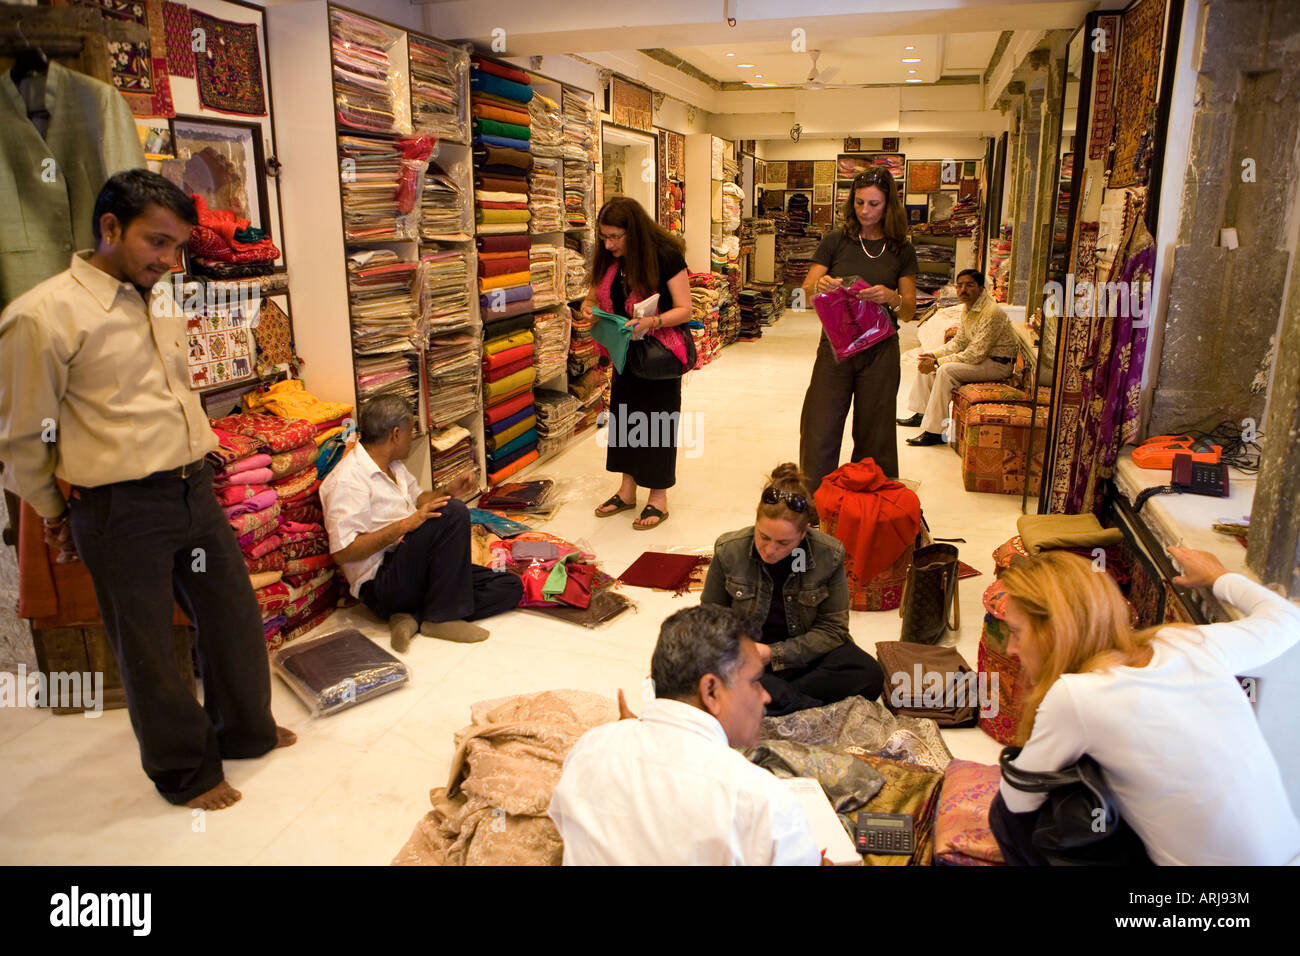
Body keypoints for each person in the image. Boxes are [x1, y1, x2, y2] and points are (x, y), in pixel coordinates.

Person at [0, 169, 294, 812]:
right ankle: (185, 773)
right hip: (118, 507)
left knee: (233, 617)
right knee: (148, 645)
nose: (169, 260)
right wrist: (56, 513)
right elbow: (24, 438)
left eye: (178, 248)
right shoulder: (41, 317)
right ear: (110, 228)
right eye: (157, 243)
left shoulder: (153, 296)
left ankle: (245, 731)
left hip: (192, 488)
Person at [989, 547, 1300, 866]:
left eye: (1016, 632)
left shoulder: (1078, 695)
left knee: (1005, 811)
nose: (1011, 649)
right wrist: (1219, 576)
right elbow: (1288, 619)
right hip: (1290, 855)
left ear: (1053, 633)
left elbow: (1018, 801)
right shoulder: (1188, 644)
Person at [548, 604, 822, 865]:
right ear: (711, 691)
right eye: (755, 682)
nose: (765, 696)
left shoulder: (590, 748)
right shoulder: (765, 803)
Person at [321, 395, 522, 650]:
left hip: (414, 570)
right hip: (382, 583)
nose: (412, 436)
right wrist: (404, 525)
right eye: (410, 430)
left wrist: (447, 491)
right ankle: (442, 616)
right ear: (396, 434)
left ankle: (415, 617)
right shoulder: (347, 480)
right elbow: (343, 553)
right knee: (455, 513)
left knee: (508, 584)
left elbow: (419, 501)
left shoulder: (393, 466)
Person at [700, 463, 885, 716]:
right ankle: (799, 705)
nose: (770, 549)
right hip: (747, 658)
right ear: (755, 518)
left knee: (869, 675)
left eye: (783, 542)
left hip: (803, 655)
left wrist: (775, 653)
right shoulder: (729, 549)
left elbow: (833, 629)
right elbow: (710, 620)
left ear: (804, 533)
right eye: (763, 536)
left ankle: (773, 699)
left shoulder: (827, 555)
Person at [799, 168, 917, 491]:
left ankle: (867, 505)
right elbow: (806, 291)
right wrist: (820, 286)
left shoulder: (901, 250)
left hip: (880, 350)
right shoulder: (836, 242)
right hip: (836, 346)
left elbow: (908, 310)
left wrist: (891, 297)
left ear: (889, 205)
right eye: (859, 202)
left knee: (874, 432)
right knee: (820, 425)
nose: (865, 211)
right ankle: (813, 505)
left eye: (874, 204)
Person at [582, 196, 691, 530]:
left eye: (616, 236)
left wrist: (653, 322)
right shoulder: (611, 259)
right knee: (626, 421)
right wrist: (588, 308)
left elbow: (686, 309)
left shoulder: (665, 256)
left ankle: (658, 497)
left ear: (635, 232)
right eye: (605, 236)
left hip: (660, 355)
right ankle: (627, 491)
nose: (609, 243)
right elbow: (594, 295)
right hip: (624, 353)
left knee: (656, 424)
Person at [900, 268, 1017, 445]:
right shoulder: (968, 309)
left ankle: (935, 432)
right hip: (982, 360)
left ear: (981, 288)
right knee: (926, 359)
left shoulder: (991, 312)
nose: (963, 290)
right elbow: (959, 343)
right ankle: (921, 413)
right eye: (959, 285)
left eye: (969, 285)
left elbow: (975, 354)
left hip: (997, 365)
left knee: (945, 371)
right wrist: (933, 355)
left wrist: (938, 362)